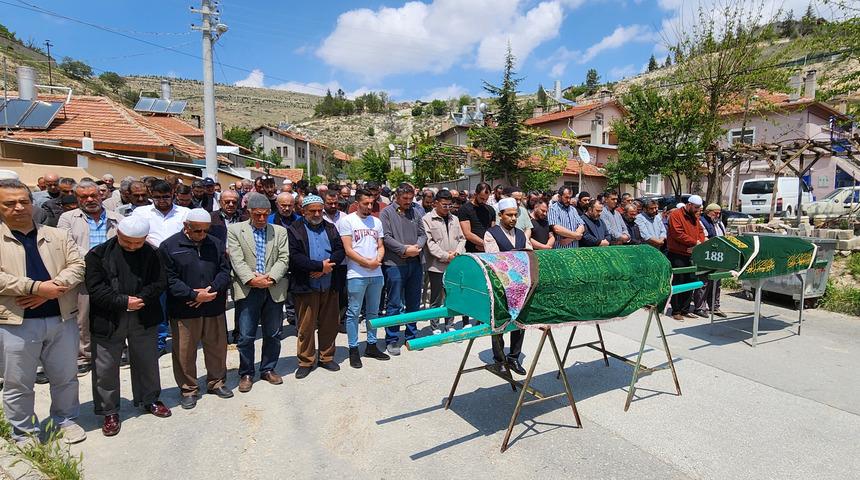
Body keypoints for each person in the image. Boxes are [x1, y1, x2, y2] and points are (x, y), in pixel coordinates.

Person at [0, 179, 87, 445]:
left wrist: (54, 288)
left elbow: (78, 265)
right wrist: (36, 287)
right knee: (18, 382)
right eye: (9, 203)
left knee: (65, 377)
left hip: (61, 318)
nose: (18, 207)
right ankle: (23, 432)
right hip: (15, 322)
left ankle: (65, 419)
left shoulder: (56, 235)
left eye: (23, 201)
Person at [86, 216, 170, 437]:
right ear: (118, 234)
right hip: (109, 318)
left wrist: (141, 299)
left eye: (138, 243)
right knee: (105, 367)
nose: (132, 247)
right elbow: (95, 288)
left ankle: (149, 399)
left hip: (143, 314)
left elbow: (160, 282)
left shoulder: (153, 253)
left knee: (147, 361)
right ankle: (109, 411)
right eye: (127, 242)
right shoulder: (98, 254)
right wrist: (123, 302)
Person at [160, 209, 233, 409]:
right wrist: (193, 295)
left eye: (205, 231)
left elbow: (225, 271)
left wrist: (211, 290)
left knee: (217, 347)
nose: (202, 235)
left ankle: (216, 382)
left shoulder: (215, 244)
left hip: (213, 305)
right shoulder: (169, 246)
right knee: (184, 351)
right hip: (185, 308)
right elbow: (169, 279)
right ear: (186, 226)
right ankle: (188, 389)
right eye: (197, 231)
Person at [57, 180, 123, 376]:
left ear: (101, 195)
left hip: (112, 275)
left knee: (115, 313)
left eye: (93, 195)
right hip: (83, 275)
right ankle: (84, 356)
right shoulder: (67, 218)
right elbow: (66, 245)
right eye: (84, 197)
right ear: (77, 198)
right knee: (82, 317)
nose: (90, 199)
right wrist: (95, 260)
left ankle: (117, 350)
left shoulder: (117, 218)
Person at [227, 193, 290, 393]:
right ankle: (246, 372)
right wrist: (252, 280)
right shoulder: (235, 230)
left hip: (273, 288)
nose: (261, 218)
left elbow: (284, 258)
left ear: (269, 212)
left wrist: (270, 278)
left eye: (265, 214)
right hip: (248, 289)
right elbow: (236, 259)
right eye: (257, 215)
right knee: (246, 335)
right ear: (249, 212)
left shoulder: (279, 232)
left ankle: (268, 369)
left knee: (273, 333)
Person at [287, 195, 346, 378]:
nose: (317, 214)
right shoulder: (294, 229)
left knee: (330, 323)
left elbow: (340, 250)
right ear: (303, 211)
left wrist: (326, 268)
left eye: (320, 210)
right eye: (313, 211)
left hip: (329, 283)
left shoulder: (330, 227)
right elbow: (294, 256)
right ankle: (306, 361)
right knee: (306, 326)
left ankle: (326, 357)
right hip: (306, 285)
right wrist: (319, 267)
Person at [131, 180, 190, 354]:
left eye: (166, 196)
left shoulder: (185, 212)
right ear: (151, 195)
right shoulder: (140, 212)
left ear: (173, 194)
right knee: (158, 305)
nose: (162, 200)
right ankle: (159, 342)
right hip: (153, 264)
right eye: (157, 197)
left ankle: (184, 340)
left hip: (178, 264)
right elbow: (137, 234)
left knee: (181, 303)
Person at [339, 189, 391, 368]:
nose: (369, 206)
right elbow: (348, 249)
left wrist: (378, 259)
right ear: (357, 203)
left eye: (371, 203)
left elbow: (380, 245)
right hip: (357, 274)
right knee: (353, 312)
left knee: (374, 312)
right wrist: (366, 263)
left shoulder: (376, 222)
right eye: (365, 203)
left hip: (376, 273)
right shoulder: (347, 221)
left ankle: (371, 344)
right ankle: (353, 348)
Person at [483, 197, 531, 375]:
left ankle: (514, 357)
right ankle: (499, 359)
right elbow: (495, 259)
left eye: (515, 215)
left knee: (519, 321)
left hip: (520, 285)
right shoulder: (491, 233)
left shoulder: (520, 234)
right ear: (500, 215)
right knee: (500, 322)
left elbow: (529, 254)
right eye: (509, 215)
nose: (513, 218)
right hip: (500, 285)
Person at [380, 184, 427, 355]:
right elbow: (386, 237)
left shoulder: (416, 212)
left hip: (415, 263)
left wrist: (417, 247)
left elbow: (423, 234)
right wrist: (404, 250)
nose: (408, 202)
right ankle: (392, 339)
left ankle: (411, 336)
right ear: (397, 197)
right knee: (394, 303)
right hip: (395, 264)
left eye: (410, 198)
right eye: (405, 198)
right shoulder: (386, 213)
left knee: (413, 302)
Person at [422, 190, 466, 334]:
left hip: (453, 264)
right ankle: (435, 326)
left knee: (451, 296)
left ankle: (449, 324)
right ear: (436, 203)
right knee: (436, 297)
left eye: (449, 205)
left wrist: (457, 253)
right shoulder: (427, 219)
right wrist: (446, 256)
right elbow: (430, 243)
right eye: (444, 205)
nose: (447, 208)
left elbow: (462, 239)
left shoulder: (455, 219)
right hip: (436, 266)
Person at [667, 195, 706, 321]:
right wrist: (694, 242)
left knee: (690, 281)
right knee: (678, 281)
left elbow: (700, 231)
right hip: (677, 254)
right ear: (689, 205)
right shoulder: (676, 215)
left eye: (699, 208)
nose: (697, 210)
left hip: (691, 253)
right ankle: (676, 310)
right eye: (696, 207)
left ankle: (685, 309)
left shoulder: (694, 216)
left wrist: (698, 243)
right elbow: (677, 233)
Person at [693, 204, 727, 318]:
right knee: (704, 283)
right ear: (708, 212)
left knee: (717, 282)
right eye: (715, 213)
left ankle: (714, 306)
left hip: (719, 257)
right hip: (707, 256)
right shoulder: (702, 222)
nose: (717, 215)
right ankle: (700, 307)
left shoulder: (719, 223)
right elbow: (705, 239)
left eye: (719, 213)